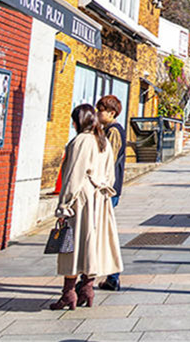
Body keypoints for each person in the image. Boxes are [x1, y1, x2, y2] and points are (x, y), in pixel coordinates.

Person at [50, 104, 123, 310]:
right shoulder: (103, 141)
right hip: (100, 199)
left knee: (72, 246)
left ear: (78, 121)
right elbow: (110, 175)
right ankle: (87, 289)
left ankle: (69, 293)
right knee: (92, 246)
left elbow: (73, 175)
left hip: (82, 200)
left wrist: (64, 206)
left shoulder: (81, 141)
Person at [95, 95, 126, 291]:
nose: (98, 114)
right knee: (102, 231)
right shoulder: (107, 130)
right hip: (109, 187)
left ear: (111, 113)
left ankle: (112, 276)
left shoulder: (113, 131)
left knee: (103, 232)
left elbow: (108, 160)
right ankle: (109, 276)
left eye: (101, 111)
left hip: (108, 188)